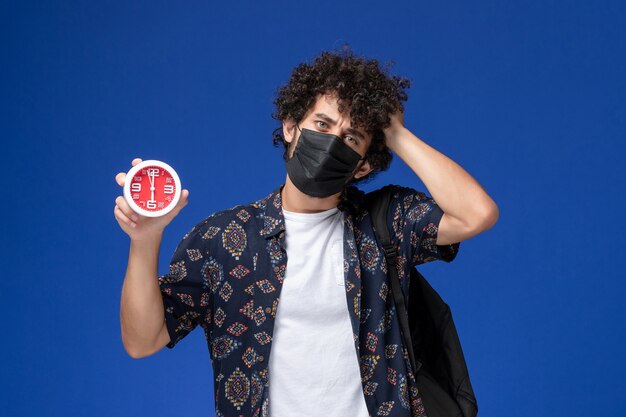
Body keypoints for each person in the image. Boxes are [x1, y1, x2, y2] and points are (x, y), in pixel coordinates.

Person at [113, 49, 498, 417]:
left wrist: (396, 133)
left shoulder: (385, 222)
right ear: (291, 126)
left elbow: (475, 214)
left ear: (363, 166)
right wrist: (144, 239)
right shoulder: (223, 239)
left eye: (351, 137)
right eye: (322, 124)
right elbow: (143, 340)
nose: (332, 141)